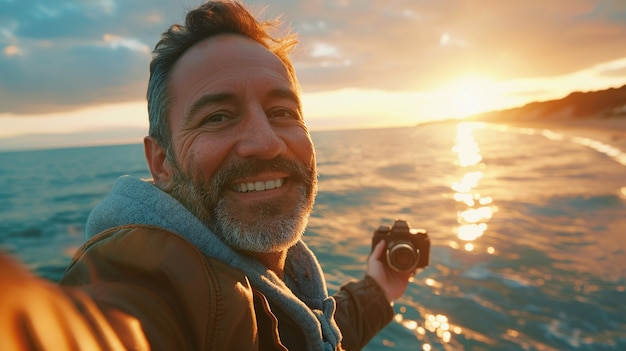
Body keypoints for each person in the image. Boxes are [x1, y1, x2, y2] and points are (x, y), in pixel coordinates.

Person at [0, 1, 415, 350]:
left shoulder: (281, 286)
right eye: (218, 116)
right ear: (160, 162)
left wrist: (380, 288)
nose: (265, 142)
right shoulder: (146, 275)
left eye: (282, 112)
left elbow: (310, 332)